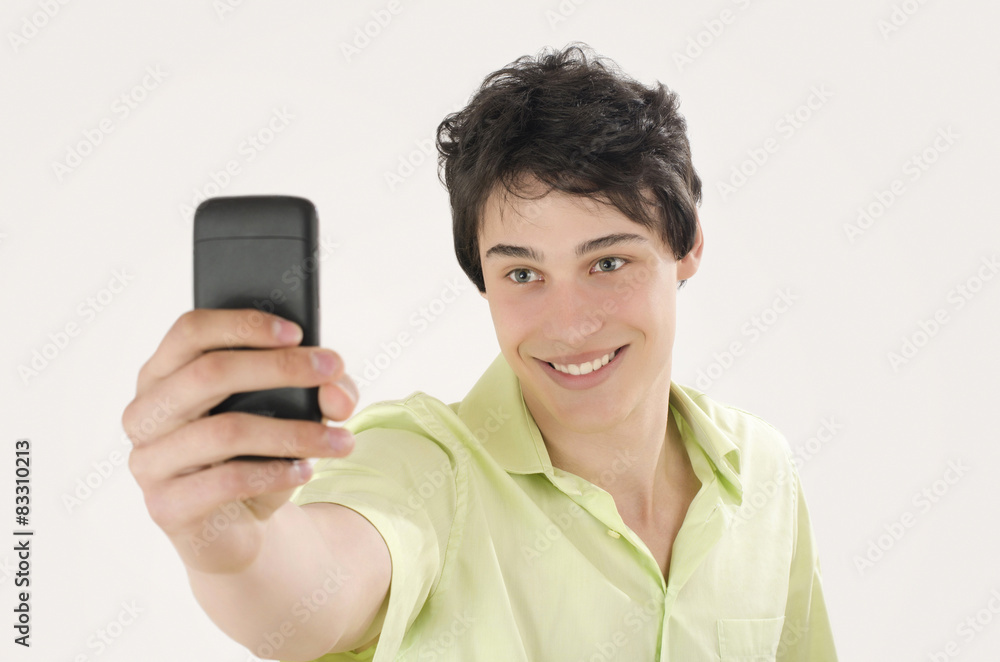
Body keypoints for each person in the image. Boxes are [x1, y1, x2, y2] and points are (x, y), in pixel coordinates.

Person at [123, 43, 838, 661]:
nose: (570, 324)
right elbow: (313, 594)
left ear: (687, 248)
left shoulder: (764, 471)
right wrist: (237, 547)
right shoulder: (426, 468)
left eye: (608, 263)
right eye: (522, 273)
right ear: (483, 280)